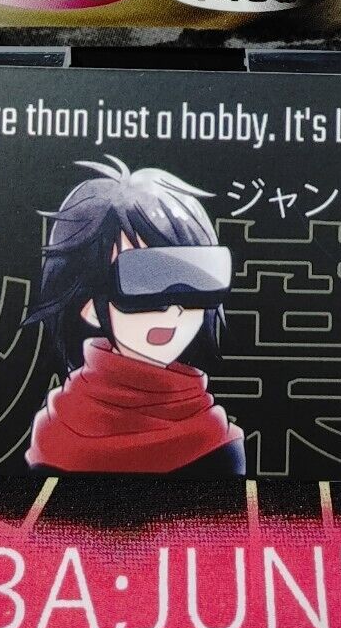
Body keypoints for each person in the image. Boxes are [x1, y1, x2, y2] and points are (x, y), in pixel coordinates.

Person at [25, 156, 246, 475]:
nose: (173, 306)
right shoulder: (56, 431)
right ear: (89, 304)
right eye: (144, 278)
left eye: (193, 278)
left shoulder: (216, 440)